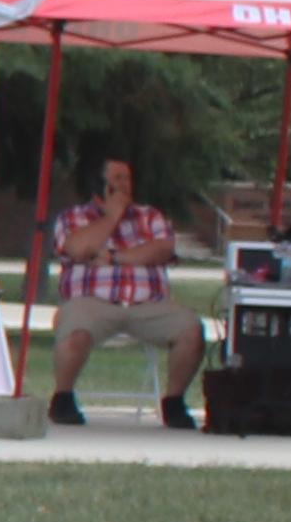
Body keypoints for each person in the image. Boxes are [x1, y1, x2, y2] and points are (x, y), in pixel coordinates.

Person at [40, 158, 204, 426]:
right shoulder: (74, 217)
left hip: (148, 305)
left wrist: (114, 257)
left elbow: (163, 249)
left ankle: (174, 402)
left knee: (191, 328)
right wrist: (111, 216)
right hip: (92, 302)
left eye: (127, 178)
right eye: (117, 179)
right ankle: (63, 398)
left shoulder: (150, 216)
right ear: (99, 184)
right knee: (76, 329)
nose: (125, 185)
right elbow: (78, 249)